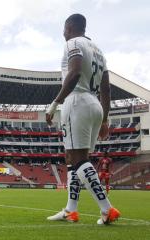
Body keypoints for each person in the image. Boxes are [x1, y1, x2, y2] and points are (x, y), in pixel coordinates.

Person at [46, 14, 120, 225]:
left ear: (69, 27)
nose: (63, 33)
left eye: (64, 29)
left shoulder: (73, 43)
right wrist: (105, 118)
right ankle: (71, 209)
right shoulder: (98, 51)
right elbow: (106, 88)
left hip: (77, 101)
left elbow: (75, 72)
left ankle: (107, 208)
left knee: (79, 160)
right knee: (73, 159)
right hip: (94, 104)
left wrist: (54, 104)